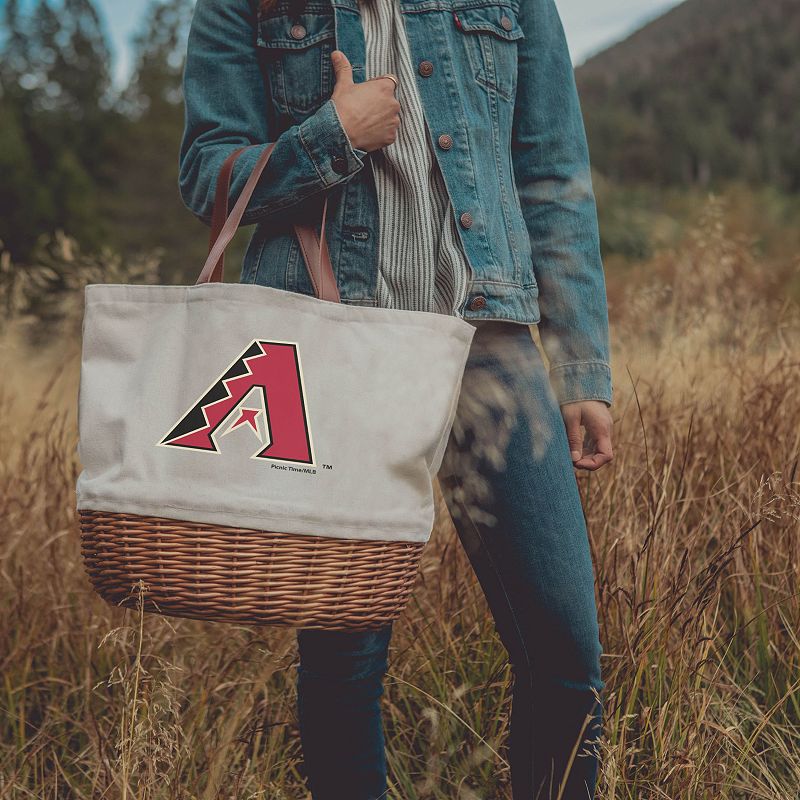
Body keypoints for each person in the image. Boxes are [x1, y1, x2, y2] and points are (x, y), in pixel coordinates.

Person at [179, 0, 614, 797]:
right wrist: (329, 138)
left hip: (490, 345)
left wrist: (582, 365)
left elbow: (551, 173)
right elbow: (207, 173)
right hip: (334, 349)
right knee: (345, 659)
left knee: (565, 650)